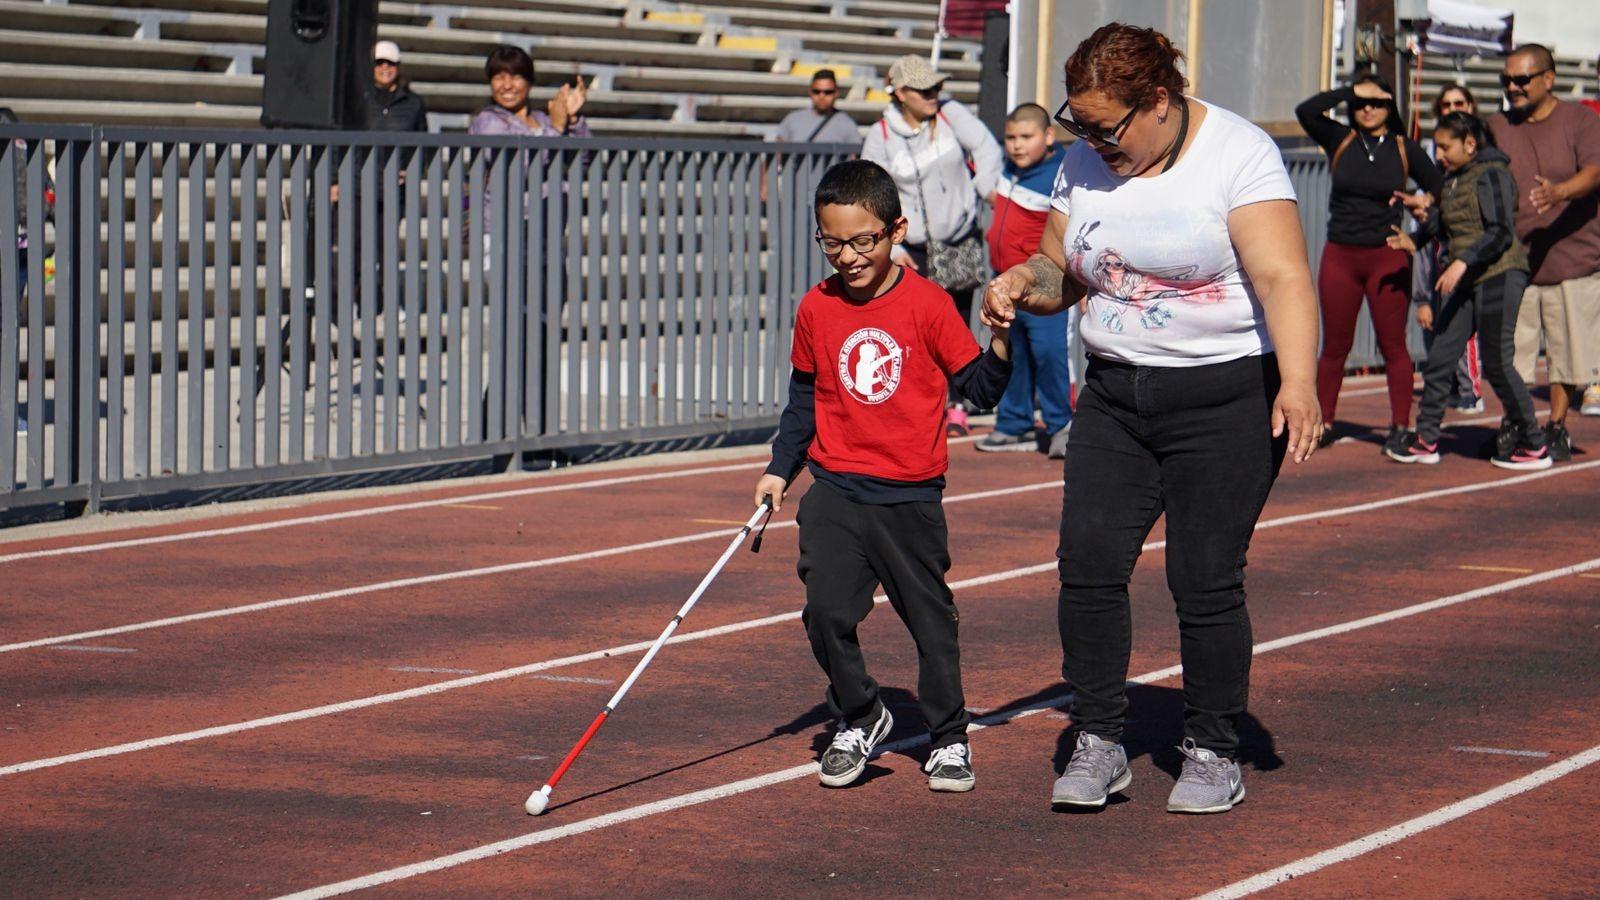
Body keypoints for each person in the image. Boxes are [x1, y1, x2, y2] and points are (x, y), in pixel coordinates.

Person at [983, 23, 1321, 814]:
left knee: (1202, 580)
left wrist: (1298, 381)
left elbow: (1282, 277)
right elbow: (1062, 270)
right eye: (1081, 126)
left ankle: (1212, 747)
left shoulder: (1237, 153)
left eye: (1107, 128)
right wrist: (1018, 282)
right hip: (1115, 394)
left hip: (1224, 396)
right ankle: (1100, 736)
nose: (1094, 143)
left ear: (1159, 103)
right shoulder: (1080, 164)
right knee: (1090, 566)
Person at [753, 159, 1013, 794]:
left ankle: (949, 738)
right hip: (836, 488)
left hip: (908, 495)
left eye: (862, 240)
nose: (847, 256)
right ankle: (862, 715)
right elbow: (803, 400)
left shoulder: (926, 303)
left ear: (896, 230)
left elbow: (977, 389)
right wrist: (777, 471)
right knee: (824, 612)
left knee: (930, 621)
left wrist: (1002, 342)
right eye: (832, 241)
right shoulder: (815, 308)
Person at [1385, 113, 1546, 469]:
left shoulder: (1492, 174)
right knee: (1441, 356)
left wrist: (1461, 262)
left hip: (1500, 274)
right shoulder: (1453, 179)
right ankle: (1426, 439)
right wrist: (1413, 238)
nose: (1439, 153)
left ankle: (1534, 442)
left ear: (1470, 144)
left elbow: (1500, 231)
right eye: (1438, 145)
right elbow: (1446, 223)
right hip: (1467, 277)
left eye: (1445, 146)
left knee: (1498, 361)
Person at [1296, 74, 1443, 454]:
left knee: (1393, 345)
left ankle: (1398, 426)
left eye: (1377, 103)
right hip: (1341, 256)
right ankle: (1324, 421)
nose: (1368, 109)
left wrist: (1420, 231)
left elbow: (1445, 190)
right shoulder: (1339, 138)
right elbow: (1306, 111)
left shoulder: (1403, 147)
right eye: (1361, 103)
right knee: (1334, 347)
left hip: (1386, 256)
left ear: (1390, 106)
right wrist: (1352, 91)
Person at [862, 53, 1002, 436]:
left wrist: (978, 189)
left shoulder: (950, 113)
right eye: (925, 90)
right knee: (914, 328)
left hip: (957, 240)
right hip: (914, 248)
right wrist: (892, 246)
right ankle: (920, 405)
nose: (934, 95)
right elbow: (874, 191)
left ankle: (957, 405)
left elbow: (987, 148)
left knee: (956, 325)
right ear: (901, 93)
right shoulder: (882, 133)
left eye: (937, 87)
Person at [1488, 44, 1600, 459]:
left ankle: (1556, 426)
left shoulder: (1580, 120)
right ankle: (1516, 422)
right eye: (1506, 80)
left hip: (1573, 259)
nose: (1512, 87)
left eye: (1522, 80)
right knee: (1511, 352)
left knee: (1566, 354)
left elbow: (1595, 170)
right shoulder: (1496, 125)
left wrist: (1559, 193)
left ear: (1548, 79)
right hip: (1513, 262)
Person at [977, 103, 1074, 458]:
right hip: (1004, 283)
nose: (1017, 145)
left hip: (1042, 285)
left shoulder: (1059, 175)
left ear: (1048, 136)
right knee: (1010, 352)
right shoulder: (1007, 168)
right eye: (1011, 138)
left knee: (1049, 354)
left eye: (1026, 137)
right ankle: (1013, 424)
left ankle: (1060, 424)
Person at [1415, 85, 1486, 414]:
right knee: (1435, 320)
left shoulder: (1484, 150)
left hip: (1468, 249)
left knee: (1463, 322)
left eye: (1459, 103)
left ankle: (1470, 386)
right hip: (1435, 243)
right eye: (1445, 104)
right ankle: (1445, 386)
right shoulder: (1432, 150)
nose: (1452, 108)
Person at [469, 45, 589, 138]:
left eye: (516, 77)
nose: (507, 85)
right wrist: (556, 128)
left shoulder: (543, 119)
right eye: (499, 78)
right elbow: (516, 161)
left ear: (530, 83)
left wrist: (572, 119)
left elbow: (582, 159)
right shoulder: (488, 120)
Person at [773, 69, 862, 144]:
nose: (821, 96)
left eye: (828, 92)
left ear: (836, 93)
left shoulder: (847, 124)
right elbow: (776, 154)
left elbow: (856, 161)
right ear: (810, 92)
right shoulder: (792, 120)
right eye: (817, 91)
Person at [359, 40, 429, 132]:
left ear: (398, 67)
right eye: (379, 62)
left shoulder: (414, 102)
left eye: (391, 62)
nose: (385, 67)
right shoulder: (362, 100)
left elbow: (422, 139)